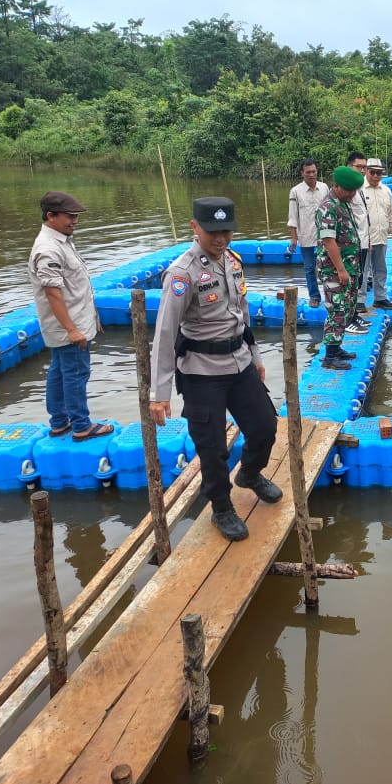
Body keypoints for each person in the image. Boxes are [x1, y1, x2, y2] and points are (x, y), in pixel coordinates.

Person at [149, 197, 282, 542]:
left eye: (226, 231)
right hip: (201, 370)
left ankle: (250, 473)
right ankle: (221, 507)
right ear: (195, 227)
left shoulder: (233, 262)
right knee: (211, 446)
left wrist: (255, 356)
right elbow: (164, 334)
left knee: (265, 426)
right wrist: (159, 393)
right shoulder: (182, 273)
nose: (221, 239)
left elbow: (242, 312)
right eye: (213, 232)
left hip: (238, 361)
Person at [29, 191, 113, 442]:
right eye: (70, 216)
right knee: (76, 373)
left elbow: (74, 287)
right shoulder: (48, 249)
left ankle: (59, 421)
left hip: (73, 321)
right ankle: (81, 425)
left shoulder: (61, 240)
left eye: (76, 216)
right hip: (68, 327)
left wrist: (91, 317)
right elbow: (53, 294)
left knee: (59, 372)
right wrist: (73, 330)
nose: (74, 221)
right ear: (50, 215)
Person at [317, 166, 366, 369]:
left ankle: (336, 348)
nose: (353, 194)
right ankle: (330, 356)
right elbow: (329, 242)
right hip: (334, 270)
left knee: (346, 309)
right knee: (337, 310)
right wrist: (341, 270)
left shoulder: (343, 203)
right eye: (349, 190)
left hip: (348, 266)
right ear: (336, 186)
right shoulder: (328, 207)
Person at [286, 159, 329, 308]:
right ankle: (314, 296)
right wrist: (293, 238)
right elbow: (292, 217)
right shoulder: (296, 191)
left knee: (327, 266)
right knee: (309, 268)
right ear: (302, 173)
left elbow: (330, 211)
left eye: (314, 171)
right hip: (305, 236)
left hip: (325, 235)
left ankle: (330, 296)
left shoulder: (324, 188)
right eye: (308, 172)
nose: (311, 175)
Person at [362, 158, 392, 309]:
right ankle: (360, 301)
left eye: (379, 173)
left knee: (381, 269)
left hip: (381, 236)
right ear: (366, 171)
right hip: (364, 239)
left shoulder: (386, 191)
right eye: (373, 173)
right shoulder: (359, 190)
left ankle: (380, 298)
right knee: (363, 271)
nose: (376, 176)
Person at [345, 152, 372, 330]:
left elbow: (363, 217)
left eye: (364, 167)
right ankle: (348, 320)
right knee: (350, 283)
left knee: (358, 281)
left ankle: (354, 316)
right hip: (351, 246)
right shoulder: (345, 190)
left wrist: (368, 239)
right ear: (349, 167)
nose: (362, 171)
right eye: (358, 167)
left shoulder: (360, 188)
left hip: (362, 242)